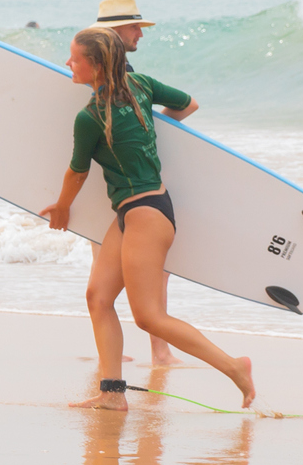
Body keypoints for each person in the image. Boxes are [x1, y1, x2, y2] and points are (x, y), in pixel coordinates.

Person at [39, 26, 256, 412]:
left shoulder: (90, 117)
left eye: (75, 58)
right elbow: (188, 104)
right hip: (143, 210)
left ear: (96, 65)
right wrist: (153, 133)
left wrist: (61, 207)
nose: (68, 63)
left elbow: (77, 172)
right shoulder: (142, 85)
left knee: (149, 318)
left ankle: (234, 367)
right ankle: (111, 393)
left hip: (143, 217)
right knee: (98, 297)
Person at [94, 0, 179, 366]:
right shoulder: (114, 73)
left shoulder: (107, 69)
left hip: (113, 184)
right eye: (134, 27)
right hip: (120, 185)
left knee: (106, 276)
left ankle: (130, 351)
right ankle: (157, 351)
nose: (139, 34)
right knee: (140, 271)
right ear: (114, 32)